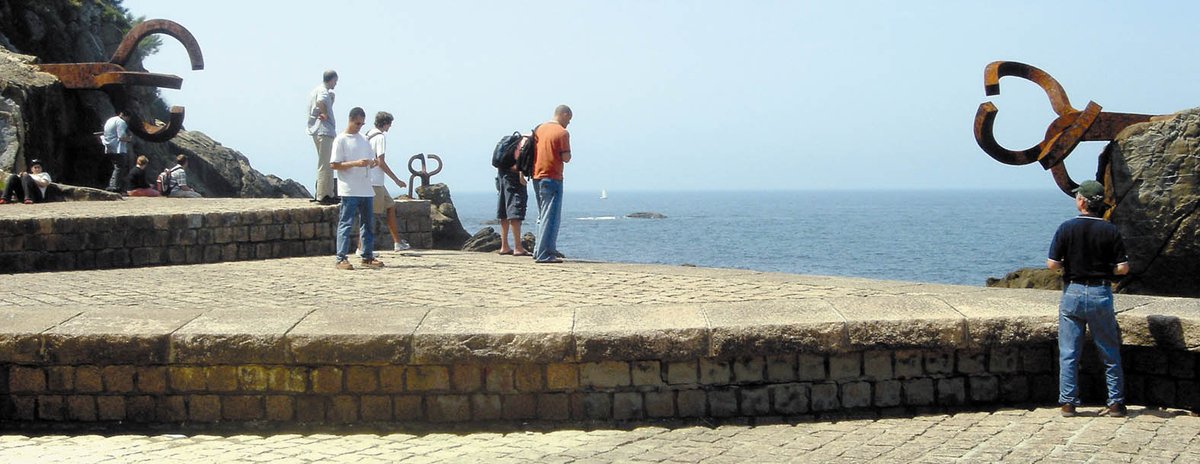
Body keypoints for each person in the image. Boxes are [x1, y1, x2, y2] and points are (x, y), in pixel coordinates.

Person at [1047, 180, 1130, 418]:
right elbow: (1123, 268)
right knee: (1109, 351)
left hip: (1072, 291)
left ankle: (1069, 403)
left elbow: (1052, 265)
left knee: (1069, 351)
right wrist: (1106, 268)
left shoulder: (1066, 228)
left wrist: (1069, 264)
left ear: (1082, 201)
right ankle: (1115, 403)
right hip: (1100, 292)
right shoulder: (1110, 230)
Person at [330, 107, 383, 270]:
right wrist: (355, 163)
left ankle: (367, 256)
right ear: (351, 120)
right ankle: (341, 258)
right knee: (345, 223)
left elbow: (370, 159)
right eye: (357, 123)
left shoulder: (364, 140)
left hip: (365, 188)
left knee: (368, 224)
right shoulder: (341, 140)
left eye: (362, 124)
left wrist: (373, 163)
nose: (359, 126)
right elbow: (334, 164)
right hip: (349, 189)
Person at [364, 111, 411, 252]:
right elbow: (381, 162)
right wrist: (396, 180)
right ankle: (362, 248)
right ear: (386, 124)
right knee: (369, 215)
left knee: (390, 206)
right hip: (375, 182)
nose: (390, 127)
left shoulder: (367, 134)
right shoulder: (380, 137)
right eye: (390, 124)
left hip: (371, 180)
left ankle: (397, 242)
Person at [531, 105, 573, 263]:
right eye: (568, 119)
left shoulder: (539, 129)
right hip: (552, 176)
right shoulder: (562, 133)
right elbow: (566, 157)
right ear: (564, 114)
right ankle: (545, 253)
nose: (568, 123)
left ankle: (537, 249)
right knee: (551, 217)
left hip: (536, 175)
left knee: (542, 215)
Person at [308, 70, 339, 205]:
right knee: (326, 164)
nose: (336, 84)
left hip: (318, 130)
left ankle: (327, 193)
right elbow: (321, 102)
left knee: (326, 163)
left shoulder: (316, 90)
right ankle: (323, 195)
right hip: (325, 131)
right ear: (331, 79)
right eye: (335, 81)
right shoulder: (323, 91)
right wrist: (325, 113)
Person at [496, 134, 530, 256]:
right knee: (515, 209)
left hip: (501, 174)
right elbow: (520, 157)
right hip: (513, 176)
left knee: (504, 210)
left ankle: (504, 245)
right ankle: (517, 247)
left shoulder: (517, 140)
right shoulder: (528, 142)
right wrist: (521, 175)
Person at [101, 110, 132, 193]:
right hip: (118, 148)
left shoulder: (110, 120)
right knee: (120, 167)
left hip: (108, 146)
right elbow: (121, 136)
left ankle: (112, 185)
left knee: (115, 167)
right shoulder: (121, 122)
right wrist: (129, 139)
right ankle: (115, 187)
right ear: (126, 116)